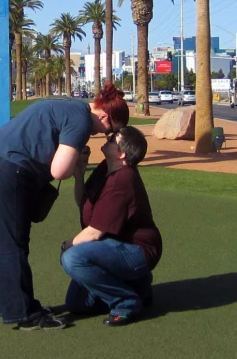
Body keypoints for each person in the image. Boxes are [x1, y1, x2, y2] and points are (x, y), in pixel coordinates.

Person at [0, 88, 129, 331]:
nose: (105, 135)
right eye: (109, 130)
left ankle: (16, 307)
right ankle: (25, 314)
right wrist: (77, 157)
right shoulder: (80, 122)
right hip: (9, 168)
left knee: (10, 242)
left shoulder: (73, 106)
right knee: (13, 244)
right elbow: (60, 171)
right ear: (104, 117)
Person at [60, 125, 162, 327]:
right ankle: (138, 286)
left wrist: (67, 245)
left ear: (122, 154)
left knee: (73, 258)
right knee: (77, 304)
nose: (109, 137)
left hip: (138, 250)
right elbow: (83, 203)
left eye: (115, 137)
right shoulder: (106, 168)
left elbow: (94, 232)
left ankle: (126, 302)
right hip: (113, 245)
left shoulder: (122, 180)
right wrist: (79, 174)